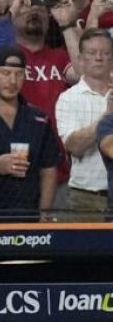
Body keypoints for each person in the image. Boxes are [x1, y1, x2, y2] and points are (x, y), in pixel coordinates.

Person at [0, 46, 59, 219]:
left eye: (18, 74)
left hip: (29, 217)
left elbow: (49, 168)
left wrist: (44, 214)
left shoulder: (38, 119)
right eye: (5, 73)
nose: (12, 81)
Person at [56, 29, 113, 220]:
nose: (99, 58)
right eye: (92, 53)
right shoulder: (68, 99)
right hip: (86, 197)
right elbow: (74, 146)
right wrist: (107, 116)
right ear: (80, 60)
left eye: (105, 53)